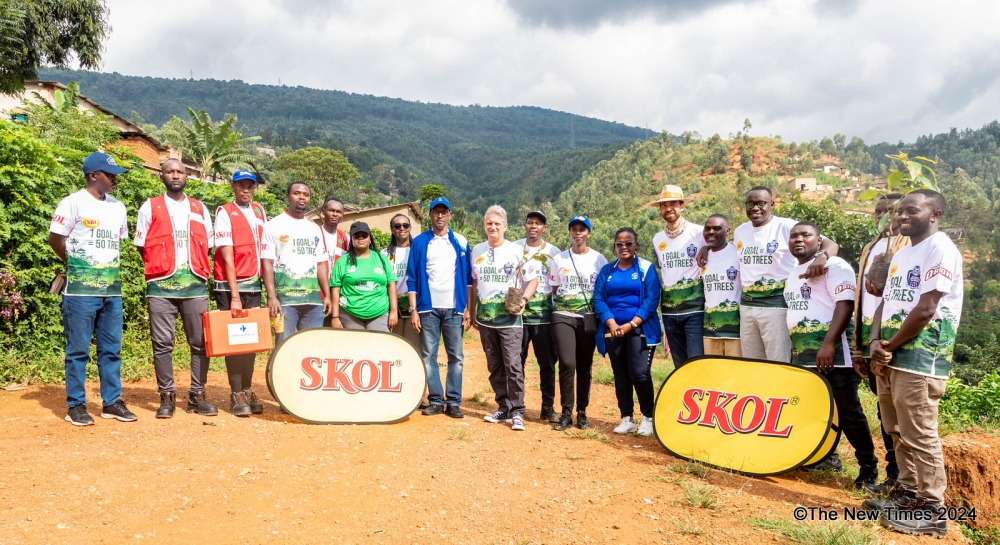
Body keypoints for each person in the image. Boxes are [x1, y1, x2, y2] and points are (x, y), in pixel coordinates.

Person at [864, 190, 961, 538]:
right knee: (895, 428)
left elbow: (926, 308)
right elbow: (885, 303)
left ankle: (932, 508)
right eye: (900, 211)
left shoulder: (941, 249)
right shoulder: (903, 252)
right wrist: (875, 342)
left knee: (919, 432)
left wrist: (888, 344)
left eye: (911, 210)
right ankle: (906, 492)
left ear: (934, 214)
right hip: (890, 353)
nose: (902, 216)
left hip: (920, 355)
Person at [783, 221, 879, 487]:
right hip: (804, 356)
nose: (798, 239)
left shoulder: (835, 266)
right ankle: (823, 459)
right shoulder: (795, 271)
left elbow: (845, 304)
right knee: (813, 409)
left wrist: (828, 344)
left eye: (806, 235)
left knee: (848, 411)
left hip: (836, 356)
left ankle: (868, 468)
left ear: (819, 240)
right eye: (794, 236)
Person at [48, 152, 136, 425]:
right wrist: (76, 266)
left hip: (112, 291)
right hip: (80, 293)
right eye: (110, 175)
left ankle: (112, 402)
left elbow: (117, 242)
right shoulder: (72, 203)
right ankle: (76, 405)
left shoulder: (118, 207)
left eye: (115, 176)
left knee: (112, 348)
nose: (114, 180)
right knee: (78, 350)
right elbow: (55, 239)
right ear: (92, 175)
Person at [705, 186, 839, 362]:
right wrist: (705, 248)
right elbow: (725, 249)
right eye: (750, 204)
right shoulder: (740, 231)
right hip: (747, 307)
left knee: (778, 361)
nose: (755, 208)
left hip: (776, 306)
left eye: (761, 203)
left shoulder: (786, 226)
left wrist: (822, 258)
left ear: (771, 204)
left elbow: (831, 244)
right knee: (752, 363)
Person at [134, 158, 217, 418]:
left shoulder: (200, 208)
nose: (176, 175)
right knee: (162, 343)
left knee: (201, 342)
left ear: (187, 176)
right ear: (161, 176)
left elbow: (209, 245)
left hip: (195, 287)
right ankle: (167, 397)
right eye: (170, 171)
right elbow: (141, 246)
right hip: (160, 287)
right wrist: (161, 267)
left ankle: (197, 395)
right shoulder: (150, 206)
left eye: (180, 171)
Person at [852, 194, 906, 491]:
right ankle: (894, 474)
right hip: (871, 340)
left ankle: (904, 478)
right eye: (880, 212)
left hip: (894, 339)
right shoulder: (870, 248)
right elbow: (863, 300)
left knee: (900, 411)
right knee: (884, 410)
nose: (886, 218)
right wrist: (859, 348)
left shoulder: (908, 247)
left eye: (892, 212)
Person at [472, 205, 539, 432]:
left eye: (497, 224)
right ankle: (502, 407)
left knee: (513, 365)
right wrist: (471, 310)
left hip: (510, 321)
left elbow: (532, 280)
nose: (493, 227)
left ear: (505, 227)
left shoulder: (516, 251)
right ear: (485, 225)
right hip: (485, 320)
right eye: (489, 223)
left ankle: (517, 411)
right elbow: (474, 283)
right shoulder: (477, 250)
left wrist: (524, 301)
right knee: (495, 365)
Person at [406, 197, 473, 418]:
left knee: (457, 356)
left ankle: (453, 402)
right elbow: (413, 277)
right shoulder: (420, 242)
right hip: (428, 308)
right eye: (436, 212)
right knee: (428, 356)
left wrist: (467, 308)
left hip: (454, 308)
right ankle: (435, 400)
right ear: (430, 215)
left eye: (444, 212)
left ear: (450, 215)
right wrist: (414, 309)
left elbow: (467, 278)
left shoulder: (461, 242)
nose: (440, 216)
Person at [594, 227, 662, 437]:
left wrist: (631, 324)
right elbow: (598, 298)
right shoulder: (607, 271)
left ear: (636, 245)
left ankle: (648, 419)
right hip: (613, 329)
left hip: (639, 328)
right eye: (619, 244)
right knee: (621, 375)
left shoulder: (645, 268)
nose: (624, 247)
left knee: (640, 374)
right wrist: (612, 324)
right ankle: (627, 418)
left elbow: (652, 299)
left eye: (628, 243)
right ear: (614, 246)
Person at [213, 169, 268, 416]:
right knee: (235, 341)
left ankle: (247, 388)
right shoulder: (225, 212)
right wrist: (234, 295)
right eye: (241, 185)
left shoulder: (259, 211)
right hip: (230, 287)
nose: (246, 190)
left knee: (251, 341)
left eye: (250, 186)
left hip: (254, 285)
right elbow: (227, 255)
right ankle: (236, 392)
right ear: (233, 187)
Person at [548, 216, 607, 430]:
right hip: (562, 315)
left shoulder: (599, 259)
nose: (578, 233)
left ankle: (582, 412)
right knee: (567, 363)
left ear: (588, 233)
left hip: (588, 319)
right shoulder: (560, 259)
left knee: (584, 366)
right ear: (570, 233)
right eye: (574, 229)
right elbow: (554, 288)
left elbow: (602, 289)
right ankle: (566, 411)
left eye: (582, 229)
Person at [261, 182, 331, 345]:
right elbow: (267, 263)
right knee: (283, 345)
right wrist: (272, 297)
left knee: (312, 347)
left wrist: (326, 295)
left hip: (313, 301)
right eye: (297, 193)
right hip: (285, 302)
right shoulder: (273, 226)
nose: (302, 197)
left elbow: (321, 264)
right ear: (287, 197)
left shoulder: (314, 229)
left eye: (306, 195)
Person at [514, 210, 561, 422]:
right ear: (525, 225)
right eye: (530, 222)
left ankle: (547, 406)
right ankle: (517, 406)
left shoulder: (554, 252)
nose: (533, 226)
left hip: (545, 317)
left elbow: (558, 284)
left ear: (544, 228)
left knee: (548, 364)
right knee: (517, 363)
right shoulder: (515, 248)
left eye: (538, 223)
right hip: (518, 317)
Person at [652, 185, 704, 366]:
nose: (668, 209)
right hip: (669, 312)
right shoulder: (658, 239)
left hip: (695, 310)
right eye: (664, 205)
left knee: (697, 362)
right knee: (679, 365)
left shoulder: (699, 232)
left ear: (682, 206)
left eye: (673, 204)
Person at [330, 222, 397, 331]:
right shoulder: (343, 261)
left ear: (370, 238)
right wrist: (335, 317)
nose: (361, 239)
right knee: (354, 347)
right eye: (356, 236)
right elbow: (335, 289)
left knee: (379, 346)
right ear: (351, 239)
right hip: (350, 313)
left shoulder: (382, 259)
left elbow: (391, 285)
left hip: (379, 312)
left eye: (364, 236)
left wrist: (394, 311)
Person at [701, 214, 742, 356]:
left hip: (736, 330)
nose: (711, 232)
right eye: (708, 229)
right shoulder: (702, 258)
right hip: (710, 329)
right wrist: (705, 248)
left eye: (717, 228)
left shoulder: (738, 253)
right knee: (714, 370)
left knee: (736, 370)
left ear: (728, 231)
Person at [383, 214, 421, 349]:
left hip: (415, 309)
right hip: (392, 311)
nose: (402, 229)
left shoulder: (418, 252)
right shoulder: (384, 254)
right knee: (394, 348)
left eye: (405, 225)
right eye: (397, 226)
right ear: (392, 229)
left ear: (410, 228)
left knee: (413, 348)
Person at [320, 197, 349, 327]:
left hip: (339, 295)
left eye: (338, 211)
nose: (335, 214)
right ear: (323, 211)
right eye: (331, 210)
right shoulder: (314, 233)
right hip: (317, 294)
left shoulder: (346, 238)